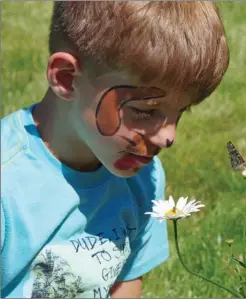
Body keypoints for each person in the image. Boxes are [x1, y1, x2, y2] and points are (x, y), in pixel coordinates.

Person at [1, 1, 229, 298]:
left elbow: (126, 278)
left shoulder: (142, 176)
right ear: (66, 78)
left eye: (181, 111)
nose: (169, 136)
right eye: (146, 111)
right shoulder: (9, 184)